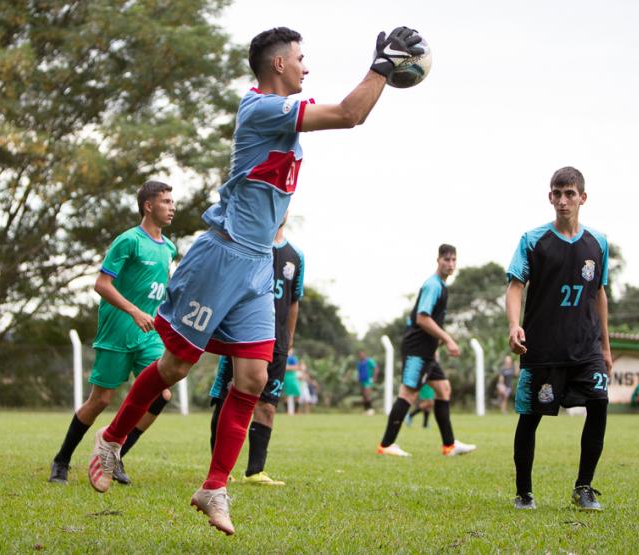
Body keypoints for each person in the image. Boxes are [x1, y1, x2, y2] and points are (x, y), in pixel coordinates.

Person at [86, 26, 425, 535]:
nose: (307, 68)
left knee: (254, 378)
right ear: (279, 66)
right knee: (178, 363)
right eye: (301, 59)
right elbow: (350, 114)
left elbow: (351, 114)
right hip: (221, 257)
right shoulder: (260, 109)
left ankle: (214, 487)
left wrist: (383, 69)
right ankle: (111, 440)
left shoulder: (281, 113)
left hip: (257, 264)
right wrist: (384, 65)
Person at [48, 181, 177, 485]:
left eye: (173, 202)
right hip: (117, 331)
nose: (172, 207)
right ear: (148, 206)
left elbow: (161, 291)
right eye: (166, 202)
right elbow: (101, 284)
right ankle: (62, 460)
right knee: (101, 400)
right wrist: (133, 311)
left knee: (161, 394)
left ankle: (113, 455)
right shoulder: (128, 241)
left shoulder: (169, 247)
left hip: (149, 335)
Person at [505, 167, 611, 511]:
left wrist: (605, 347)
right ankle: (524, 493)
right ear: (550, 197)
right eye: (557, 193)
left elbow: (599, 294)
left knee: (599, 404)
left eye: (569, 193)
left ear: (583, 197)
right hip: (543, 349)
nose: (563, 200)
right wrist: (513, 325)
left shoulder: (598, 243)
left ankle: (584, 487)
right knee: (530, 417)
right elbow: (515, 287)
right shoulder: (533, 240)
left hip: (586, 348)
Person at [208, 216, 304, 486]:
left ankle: (255, 471)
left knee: (268, 406)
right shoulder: (248, 247)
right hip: (243, 337)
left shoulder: (296, 256)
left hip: (278, 343)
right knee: (227, 398)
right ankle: (220, 470)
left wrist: (289, 338)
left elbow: (294, 301)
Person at [377, 244, 476, 458]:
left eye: (453, 260)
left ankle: (449, 446)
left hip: (428, 352)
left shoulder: (442, 286)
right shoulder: (433, 285)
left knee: (443, 389)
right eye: (446, 260)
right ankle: (386, 445)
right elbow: (422, 318)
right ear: (438, 260)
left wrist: (437, 346)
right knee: (408, 393)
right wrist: (447, 339)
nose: (450, 264)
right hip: (417, 350)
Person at [355, 351, 380, 415]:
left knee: (367, 395)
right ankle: (366, 410)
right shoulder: (359, 363)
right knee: (363, 396)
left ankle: (371, 410)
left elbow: (376, 368)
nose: (361, 356)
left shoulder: (369, 361)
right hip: (362, 381)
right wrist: (357, 378)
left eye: (362, 354)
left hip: (368, 380)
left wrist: (375, 377)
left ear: (364, 354)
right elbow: (358, 372)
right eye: (359, 355)